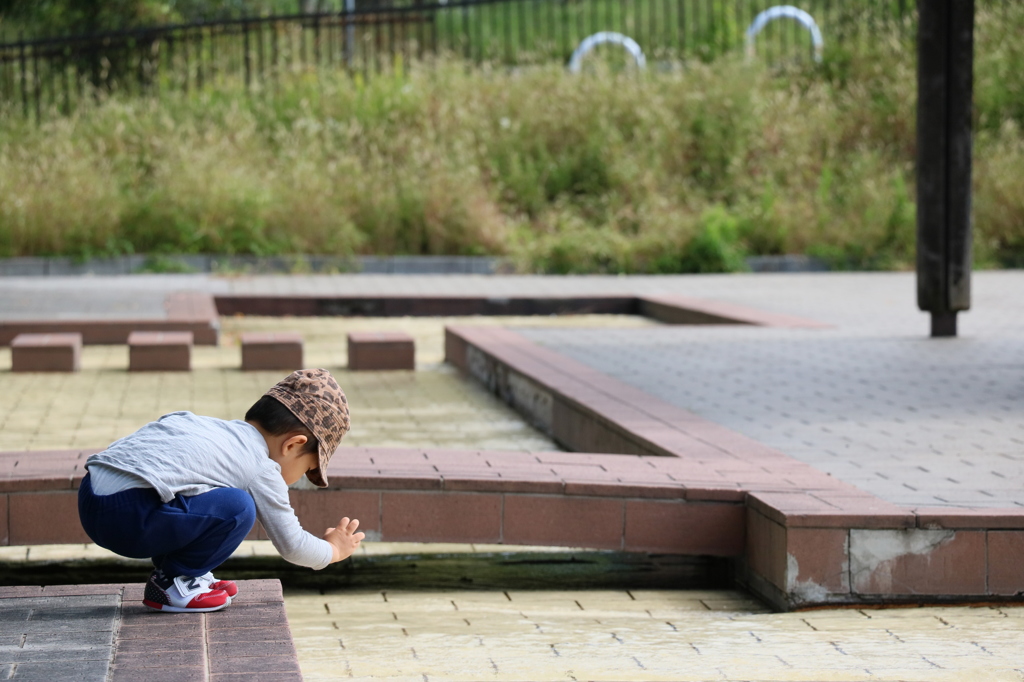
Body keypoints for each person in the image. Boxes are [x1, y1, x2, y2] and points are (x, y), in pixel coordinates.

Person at [77, 368, 364, 613]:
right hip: (125, 518)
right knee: (238, 507)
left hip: (91, 495)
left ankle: (189, 573)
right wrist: (334, 549)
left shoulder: (204, 426)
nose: (299, 477)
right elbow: (292, 546)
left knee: (204, 497)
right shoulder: (260, 466)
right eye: (307, 468)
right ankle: (175, 583)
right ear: (293, 445)